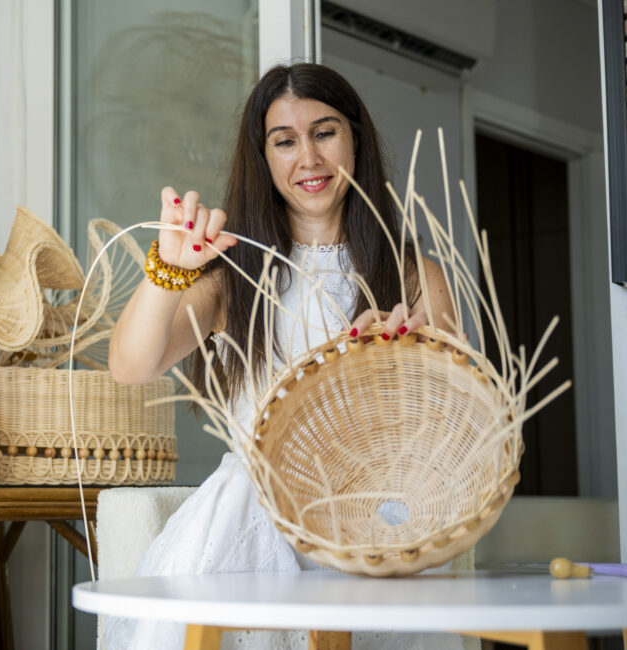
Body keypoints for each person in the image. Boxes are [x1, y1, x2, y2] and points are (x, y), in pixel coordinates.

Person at [104, 63, 459, 650]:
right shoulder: (231, 276)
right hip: (253, 522)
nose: (308, 159)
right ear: (263, 157)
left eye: (325, 132)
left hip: (380, 522)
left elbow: (453, 425)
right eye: (285, 141)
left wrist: (407, 363)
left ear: (356, 140)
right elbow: (130, 367)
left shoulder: (414, 273)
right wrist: (167, 269)